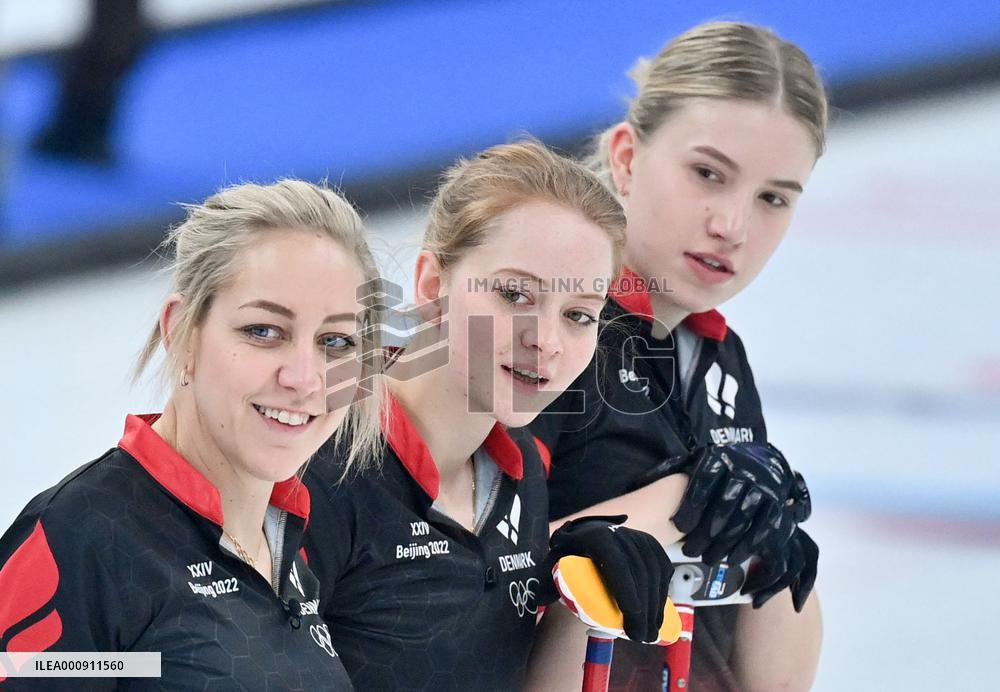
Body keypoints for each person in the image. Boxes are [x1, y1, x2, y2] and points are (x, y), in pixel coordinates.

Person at [302, 140, 675, 691]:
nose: (545, 341)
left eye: (578, 315)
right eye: (514, 294)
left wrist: (578, 599)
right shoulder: (319, 465)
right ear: (432, 285)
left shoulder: (520, 471)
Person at [526, 21, 827, 692]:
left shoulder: (720, 357)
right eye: (708, 174)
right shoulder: (533, 329)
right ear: (628, 158)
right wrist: (680, 500)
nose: (733, 225)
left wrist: (775, 539)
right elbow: (451, 578)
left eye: (773, 198)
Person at [0, 179, 383, 689]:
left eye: (335, 342)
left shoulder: (294, 545)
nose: (304, 378)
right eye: (263, 331)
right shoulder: (84, 536)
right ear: (182, 331)